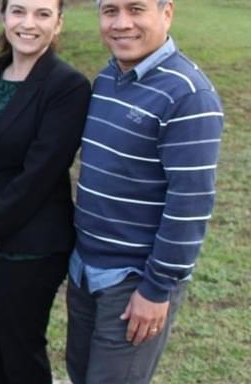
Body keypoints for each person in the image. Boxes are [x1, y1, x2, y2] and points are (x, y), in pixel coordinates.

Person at [66, 1, 224, 383]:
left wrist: (156, 290)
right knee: (79, 373)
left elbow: (190, 204)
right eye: (110, 11)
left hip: (134, 281)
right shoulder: (107, 79)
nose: (122, 24)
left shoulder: (189, 96)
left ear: (166, 13)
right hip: (86, 270)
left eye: (136, 9)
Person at [0, 0, 90, 382]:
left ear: (58, 24)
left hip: (30, 247)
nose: (29, 23)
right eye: (19, 11)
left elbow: (39, 176)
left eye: (43, 14)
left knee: (21, 355)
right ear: (4, 16)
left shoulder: (68, 86)